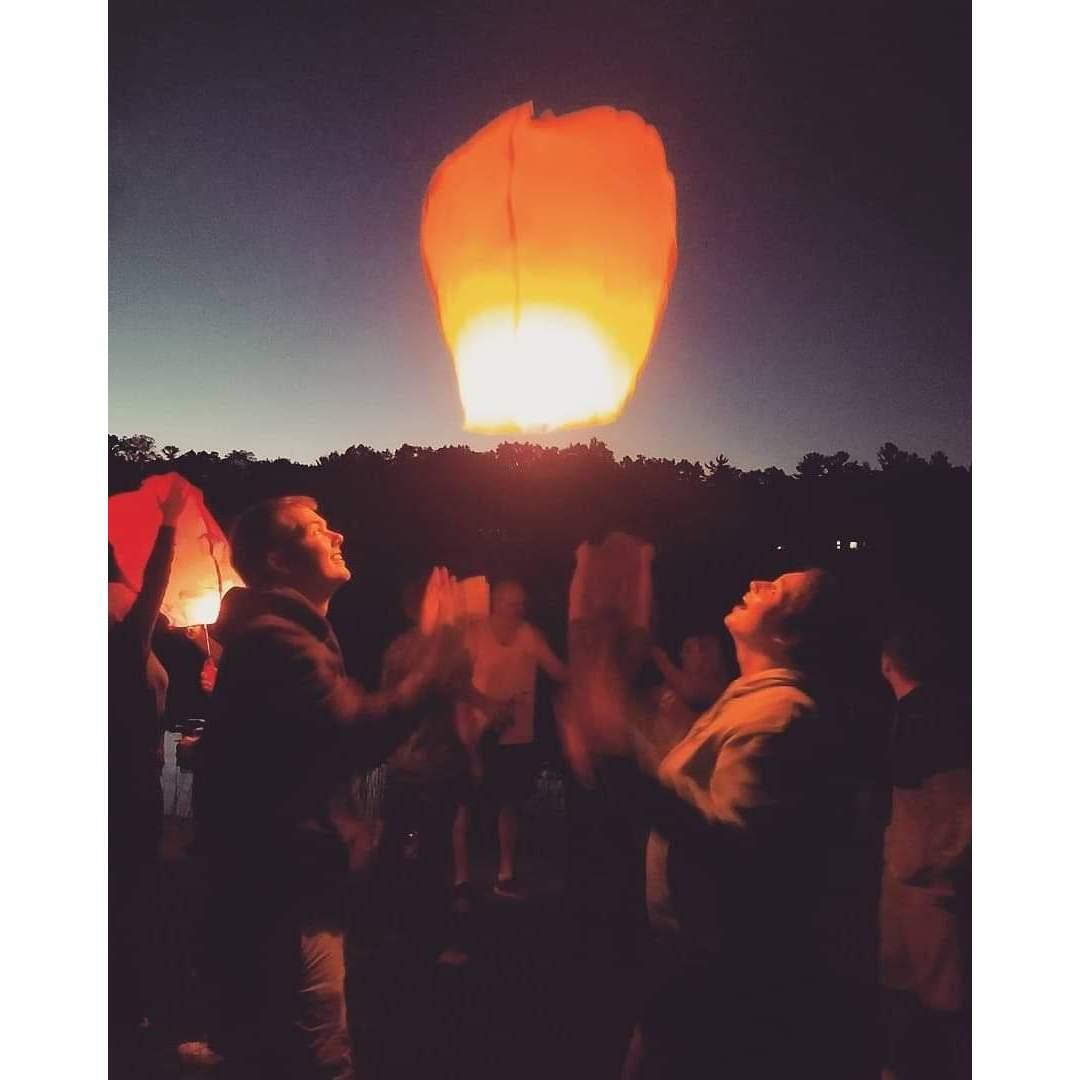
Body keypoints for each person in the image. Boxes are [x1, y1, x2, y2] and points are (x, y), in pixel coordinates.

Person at [193, 496, 463, 1078]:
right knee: (317, 1055)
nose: (336, 532)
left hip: (275, 877)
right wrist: (437, 656)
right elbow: (351, 730)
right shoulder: (279, 640)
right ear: (278, 560)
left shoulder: (289, 634)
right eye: (315, 529)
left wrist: (336, 818)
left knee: (272, 1041)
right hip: (280, 885)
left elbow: (294, 756)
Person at [571, 568, 848, 1079]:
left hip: (722, 971)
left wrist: (619, 757)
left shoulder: (778, 714)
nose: (758, 582)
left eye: (776, 590)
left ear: (786, 633)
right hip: (691, 956)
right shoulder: (747, 697)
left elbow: (726, 841)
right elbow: (690, 781)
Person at [108, 477, 186, 1046]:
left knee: (127, 891)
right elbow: (156, 584)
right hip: (122, 783)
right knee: (128, 894)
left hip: (138, 779)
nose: (126, 593)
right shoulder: (120, 649)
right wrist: (168, 523)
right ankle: (128, 1006)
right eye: (119, 593)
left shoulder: (143, 652)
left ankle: (126, 1000)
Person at [879, 623, 971, 1080]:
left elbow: (956, 801)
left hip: (925, 879)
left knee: (941, 994)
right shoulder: (920, 711)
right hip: (911, 873)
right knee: (910, 986)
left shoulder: (926, 714)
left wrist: (941, 866)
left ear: (887, 663)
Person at [457, 579, 566, 901]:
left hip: (516, 734)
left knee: (509, 803)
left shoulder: (529, 635)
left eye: (521, 604)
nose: (517, 609)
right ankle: (461, 879)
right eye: (510, 603)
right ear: (496, 604)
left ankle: (505, 874)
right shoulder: (475, 635)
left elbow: (557, 671)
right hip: (477, 732)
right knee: (465, 805)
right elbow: (458, 682)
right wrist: (473, 721)